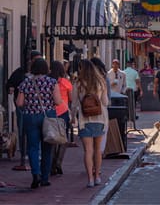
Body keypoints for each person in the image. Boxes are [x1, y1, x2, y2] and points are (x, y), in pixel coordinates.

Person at [16, 58, 62, 189]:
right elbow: (58, 101)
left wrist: (30, 103)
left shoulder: (25, 83)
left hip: (30, 116)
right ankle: (45, 178)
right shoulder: (52, 82)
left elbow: (19, 103)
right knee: (47, 147)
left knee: (33, 147)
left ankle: (35, 174)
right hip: (48, 116)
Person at [71, 59, 109, 188]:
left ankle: (90, 179)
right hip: (99, 119)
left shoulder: (79, 83)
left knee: (88, 150)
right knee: (98, 150)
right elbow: (105, 102)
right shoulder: (100, 82)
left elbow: (74, 103)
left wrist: (72, 117)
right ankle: (97, 176)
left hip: (84, 119)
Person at [6, 50, 43, 165]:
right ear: (30, 60)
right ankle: (24, 152)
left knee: (38, 130)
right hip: (22, 106)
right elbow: (9, 84)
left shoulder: (42, 74)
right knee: (23, 129)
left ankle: (35, 151)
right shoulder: (20, 72)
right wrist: (11, 88)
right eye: (36, 59)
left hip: (37, 107)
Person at [49, 60, 72, 175]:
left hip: (52, 112)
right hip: (63, 111)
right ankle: (58, 162)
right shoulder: (65, 82)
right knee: (63, 138)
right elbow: (71, 98)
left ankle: (51, 164)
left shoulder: (48, 82)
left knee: (52, 138)